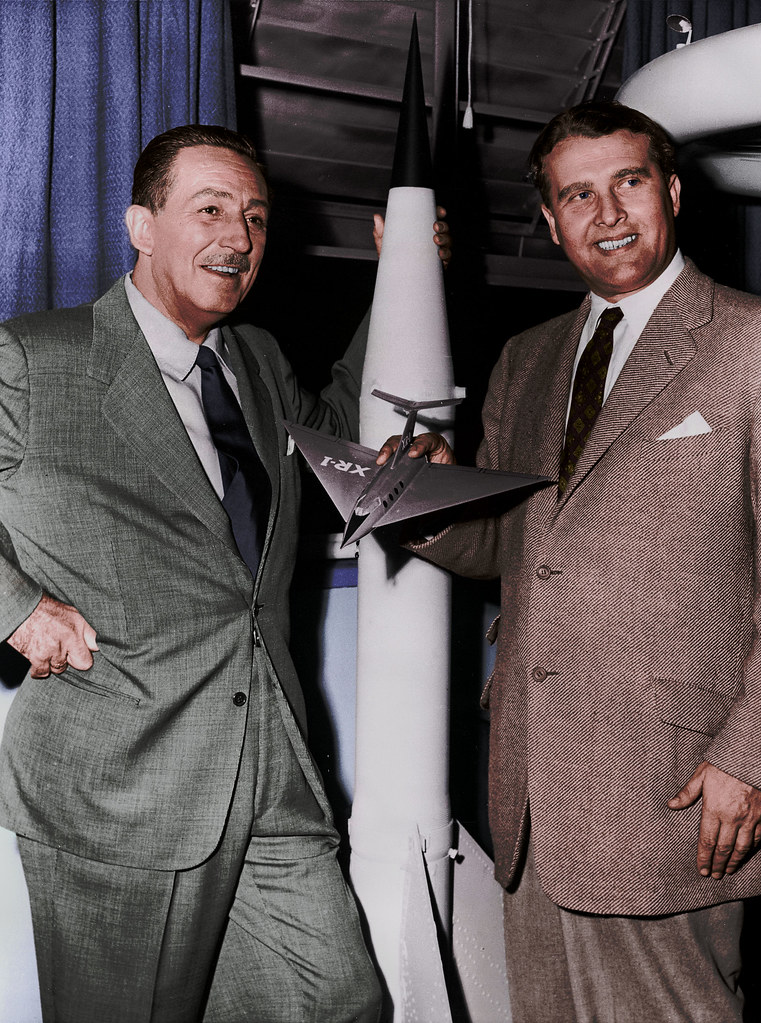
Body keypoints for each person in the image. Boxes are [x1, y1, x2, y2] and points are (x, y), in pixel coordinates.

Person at [0, 123, 448, 1023]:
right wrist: (16, 607)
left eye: (255, 216)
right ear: (141, 226)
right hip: (123, 779)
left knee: (338, 1000)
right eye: (209, 209)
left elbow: (338, 436)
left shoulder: (257, 360)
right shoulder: (33, 357)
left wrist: (402, 279)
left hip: (271, 760)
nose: (238, 236)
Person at [389, 101, 761, 1022]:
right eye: (577, 195)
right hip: (532, 792)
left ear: (672, 191)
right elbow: (516, 546)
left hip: (674, 789)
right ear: (550, 222)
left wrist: (758, 758)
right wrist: (421, 502)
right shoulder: (526, 359)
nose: (607, 213)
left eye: (628, 182)